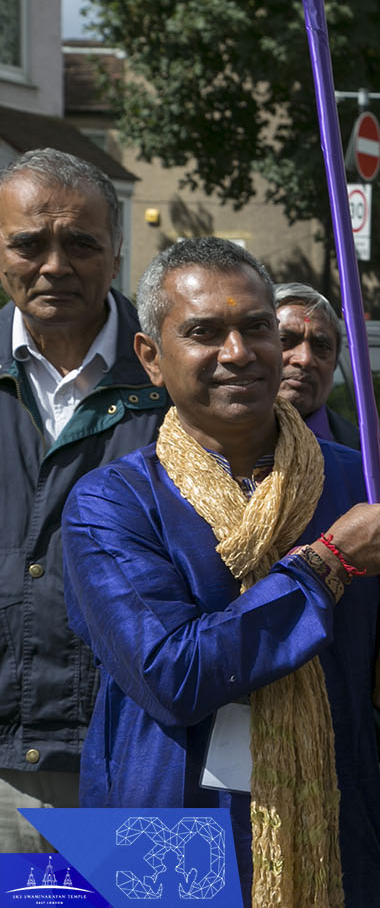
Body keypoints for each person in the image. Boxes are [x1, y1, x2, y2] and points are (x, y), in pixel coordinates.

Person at [61, 237, 380, 906]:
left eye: (257, 327)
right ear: (151, 357)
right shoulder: (110, 503)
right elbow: (172, 672)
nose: (239, 352)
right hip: (166, 832)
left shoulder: (365, 481)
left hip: (333, 824)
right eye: (204, 332)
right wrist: (327, 564)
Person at [0, 148, 169, 852]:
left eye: (80, 242)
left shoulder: (177, 382)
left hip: (151, 758)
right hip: (7, 775)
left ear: (117, 246)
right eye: (28, 244)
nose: (54, 265)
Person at [273, 281, 380, 480]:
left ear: (335, 362)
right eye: (285, 340)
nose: (305, 358)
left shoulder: (374, 466)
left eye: (322, 346)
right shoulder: (218, 449)